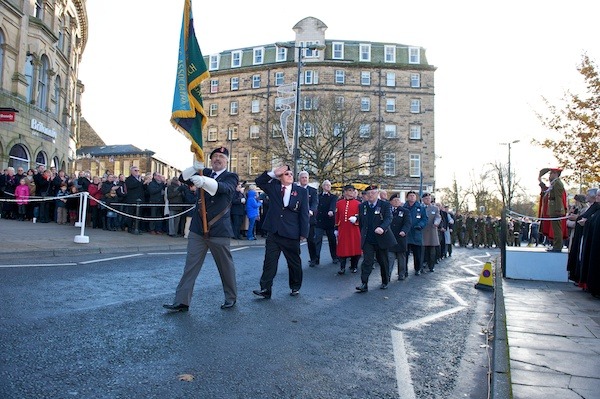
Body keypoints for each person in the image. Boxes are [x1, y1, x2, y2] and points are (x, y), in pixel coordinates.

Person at [163, 146, 239, 311]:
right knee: (190, 265)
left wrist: (204, 182)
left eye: (221, 156)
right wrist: (195, 167)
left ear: (227, 160)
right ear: (210, 160)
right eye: (215, 157)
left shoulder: (231, 176)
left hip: (219, 229)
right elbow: (183, 178)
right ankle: (182, 301)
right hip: (198, 229)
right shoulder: (204, 172)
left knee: (225, 266)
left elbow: (224, 189)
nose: (217, 159)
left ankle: (231, 297)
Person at [252, 165, 309, 299]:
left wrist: (304, 233)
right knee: (269, 262)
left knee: (294, 262)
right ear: (280, 177)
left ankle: (295, 286)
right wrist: (273, 173)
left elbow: (304, 213)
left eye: (290, 174)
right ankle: (265, 288)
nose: (289, 176)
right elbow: (259, 182)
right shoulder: (274, 187)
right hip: (274, 231)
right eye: (286, 174)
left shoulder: (301, 191)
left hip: (291, 232)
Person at [355, 185, 395, 292]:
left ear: (378, 194)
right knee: (367, 261)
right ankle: (364, 283)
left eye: (373, 193)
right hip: (368, 238)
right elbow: (362, 223)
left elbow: (388, 218)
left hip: (381, 238)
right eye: (368, 193)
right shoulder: (362, 206)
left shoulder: (385, 205)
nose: (371, 195)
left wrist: (382, 228)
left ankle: (385, 281)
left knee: (383, 261)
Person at [538, 168, 568, 252]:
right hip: (553, 208)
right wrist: (540, 181)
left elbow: (559, 198)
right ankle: (556, 245)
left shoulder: (557, 183)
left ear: (556, 174)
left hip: (556, 209)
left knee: (557, 229)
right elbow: (546, 191)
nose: (549, 175)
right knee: (555, 229)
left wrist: (558, 210)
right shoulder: (554, 183)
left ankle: (557, 246)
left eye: (551, 173)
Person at [335, 184, 362, 275]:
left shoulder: (358, 204)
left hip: (354, 229)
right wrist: (336, 228)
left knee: (355, 248)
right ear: (345, 192)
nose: (352, 192)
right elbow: (337, 216)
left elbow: (361, 216)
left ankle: (354, 266)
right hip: (343, 229)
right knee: (342, 248)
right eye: (350, 190)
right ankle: (342, 267)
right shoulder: (339, 203)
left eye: (353, 191)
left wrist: (356, 219)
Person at [388, 194, 412, 280]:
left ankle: (401, 273)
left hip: (401, 237)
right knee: (390, 257)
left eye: (398, 200)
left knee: (401, 258)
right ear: (390, 202)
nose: (397, 202)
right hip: (390, 238)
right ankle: (387, 275)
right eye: (395, 200)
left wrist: (404, 231)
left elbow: (408, 223)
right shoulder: (387, 210)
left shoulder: (405, 211)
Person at [315, 180, 339, 265]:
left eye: (329, 185)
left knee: (332, 240)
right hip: (319, 221)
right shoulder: (318, 196)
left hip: (329, 221)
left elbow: (333, 205)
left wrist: (331, 211)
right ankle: (316, 258)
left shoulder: (333, 197)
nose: (328, 186)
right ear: (323, 186)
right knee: (317, 240)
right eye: (326, 185)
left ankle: (335, 257)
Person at [298, 171, 319, 266]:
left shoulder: (313, 191)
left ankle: (314, 259)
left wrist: (311, 210)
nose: (304, 179)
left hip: (309, 219)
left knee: (311, 240)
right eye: (302, 177)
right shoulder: (296, 189)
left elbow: (315, 203)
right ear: (299, 179)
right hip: (297, 219)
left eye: (306, 177)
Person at [405, 191, 428, 276]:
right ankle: (404, 270)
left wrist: (420, 225)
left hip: (416, 233)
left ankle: (417, 268)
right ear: (407, 197)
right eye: (410, 196)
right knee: (405, 254)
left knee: (417, 253)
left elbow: (425, 219)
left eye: (413, 196)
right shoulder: (404, 207)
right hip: (406, 234)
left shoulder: (421, 208)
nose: (412, 197)